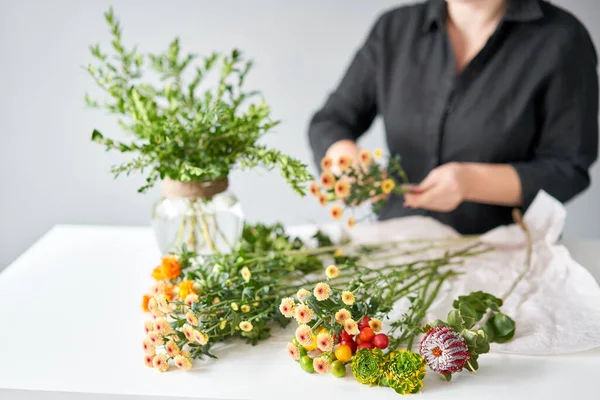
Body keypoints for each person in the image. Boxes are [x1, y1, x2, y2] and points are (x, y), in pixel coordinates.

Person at [308, 0, 599, 234]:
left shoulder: (562, 38)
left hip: (504, 249)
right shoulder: (393, 29)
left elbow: (568, 168)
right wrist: (344, 159)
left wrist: (471, 182)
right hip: (398, 241)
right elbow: (331, 121)